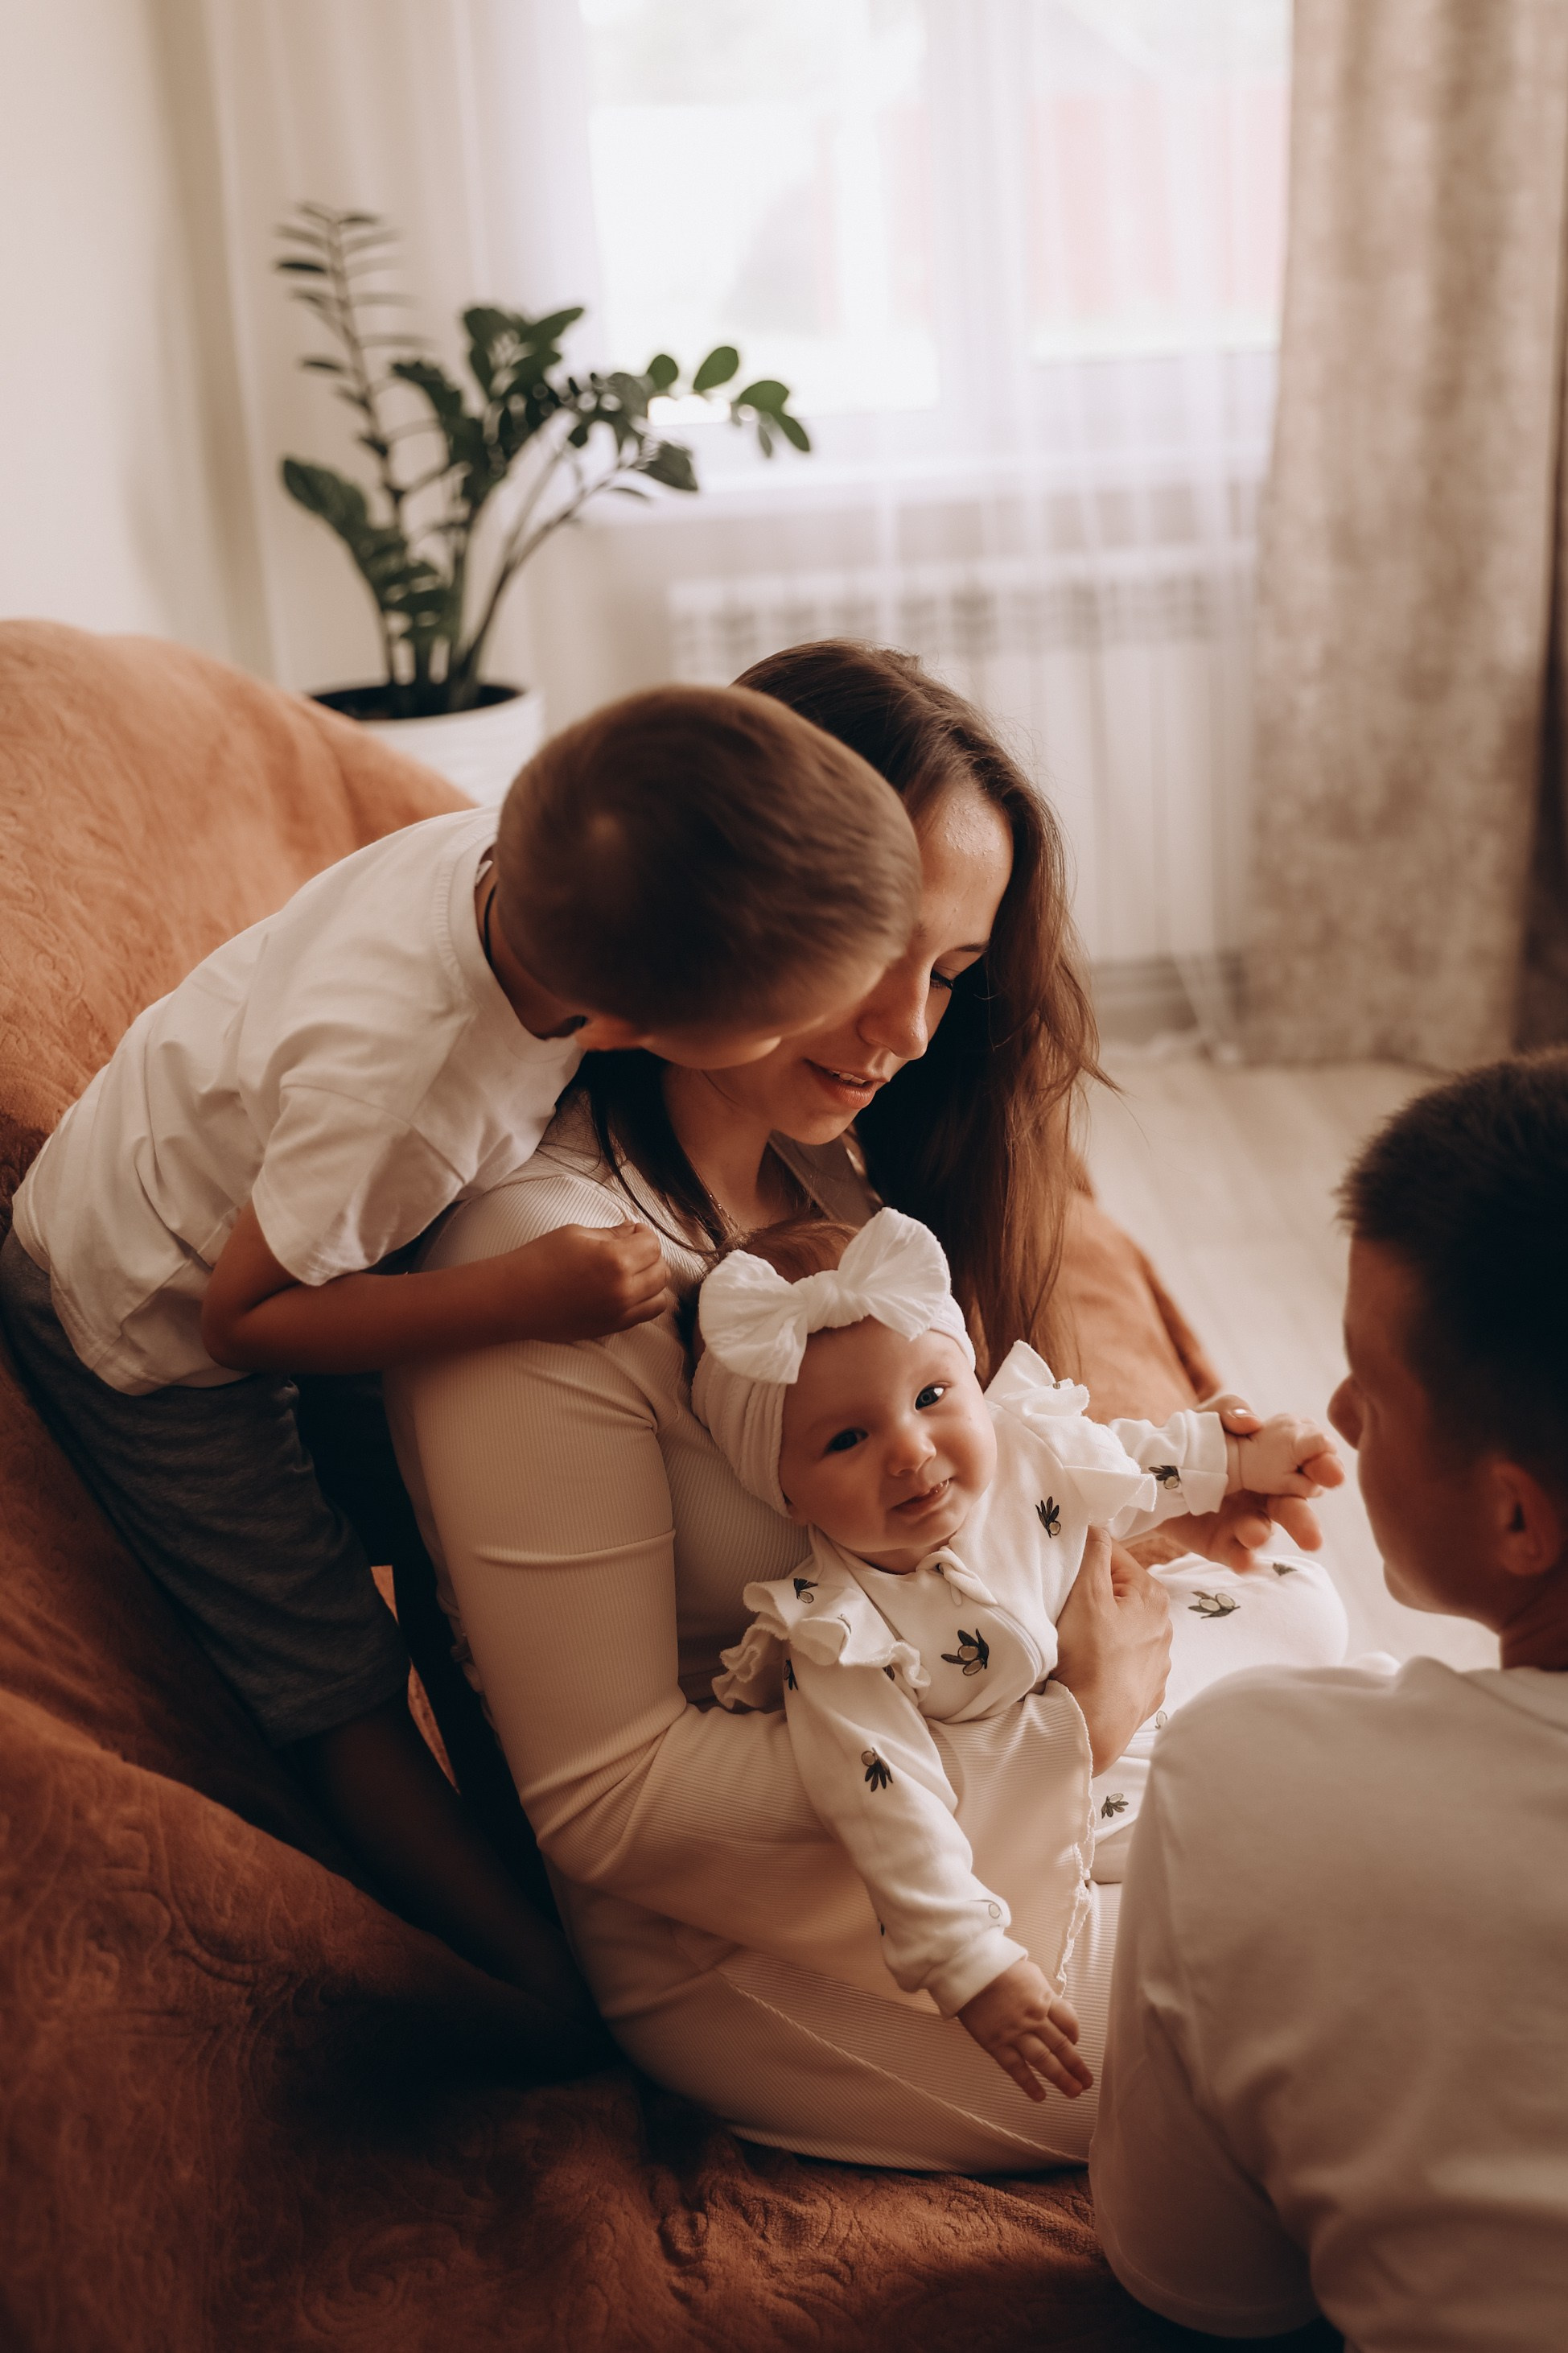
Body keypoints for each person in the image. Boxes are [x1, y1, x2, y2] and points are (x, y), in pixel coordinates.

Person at [388, 641, 1348, 2165]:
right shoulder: (538, 1269)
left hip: (986, 1731)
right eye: (878, 946)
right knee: (1343, 2023)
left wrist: (1141, 1494)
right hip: (791, 1923)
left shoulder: (832, 1168)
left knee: (1323, 1666)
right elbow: (606, 1798)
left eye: (952, 975)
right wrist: (1065, 1723)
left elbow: (967, 1482)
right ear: (747, 887)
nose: (908, 1028)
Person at [0, 683, 919, 2052]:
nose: (869, 1025)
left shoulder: (529, 861)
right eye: (804, 1016)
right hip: (139, 1313)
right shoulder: (419, 1094)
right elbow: (245, 1319)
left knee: (457, 1504)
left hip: (205, 1157)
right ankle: (530, 1989)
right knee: (326, 1663)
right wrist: (515, 1294)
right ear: (640, 1025)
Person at [1091, 1051, 1568, 2349]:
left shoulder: (1249, 1778)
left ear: (1514, 1511)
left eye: (1370, 1381)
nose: (1339, 1413)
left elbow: (1189, 2280)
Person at [692, 1205, 1345, 2107]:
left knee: (1311, 1600)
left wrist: (1241, 1457)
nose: (911, 1452)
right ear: (786, 1491)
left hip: (1146, 1681)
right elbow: (892, 1819)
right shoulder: (840, 1637)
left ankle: (1329, 1733)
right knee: (1251, 1846)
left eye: (929, 1397)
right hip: (1084, 1812)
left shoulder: (1027, 1453)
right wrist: (972, 1964)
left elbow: (1132, 1462)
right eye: (847, 1438)